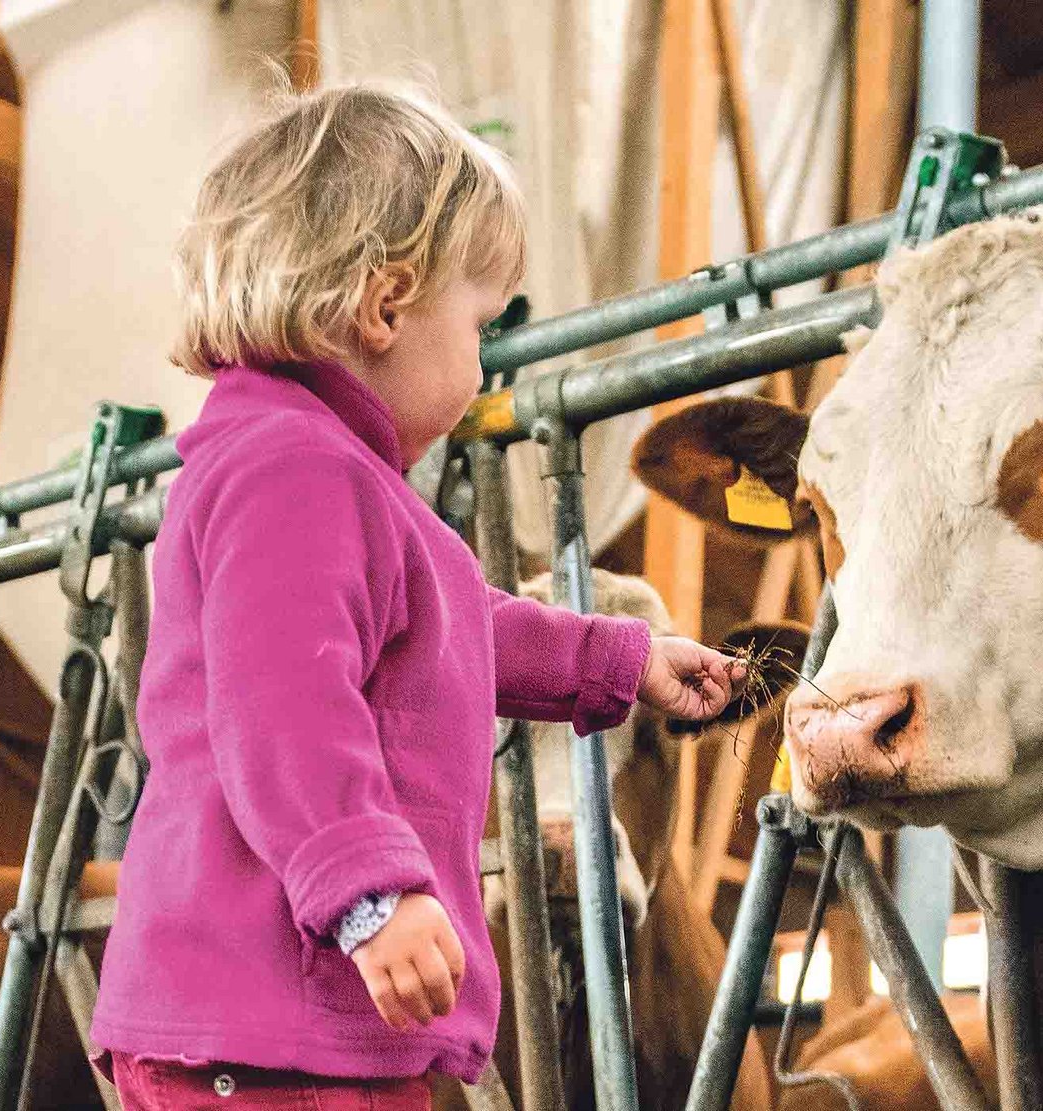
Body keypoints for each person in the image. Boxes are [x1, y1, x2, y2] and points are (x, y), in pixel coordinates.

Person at [90, 81, 745, 1110]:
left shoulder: (340, 480)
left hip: (309, 1021)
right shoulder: (292, 470)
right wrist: (368, 894)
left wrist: (619, 660)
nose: (483, 360)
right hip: (269, 1026)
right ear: (387, 305)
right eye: (479, 322)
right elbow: (281, 702)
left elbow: (456, 624)